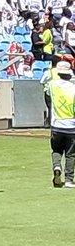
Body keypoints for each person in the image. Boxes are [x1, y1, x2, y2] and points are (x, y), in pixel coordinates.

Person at [47, 59, 75, 188]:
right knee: (71, 154)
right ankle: (69, 179)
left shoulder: (52, 85)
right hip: (71, 126)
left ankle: (57, 166)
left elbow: (47, 95)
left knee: (56, 150)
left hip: (56, 125)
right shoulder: (74, 88)